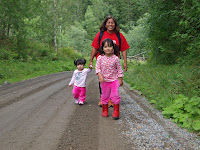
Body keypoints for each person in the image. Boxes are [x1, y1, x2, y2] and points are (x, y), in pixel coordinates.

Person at [89, 15, 129, 107]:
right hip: (102, 62)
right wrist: (91, 60)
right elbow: (95, 47)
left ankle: (111, 99)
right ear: (105, 24)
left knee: (113, 80)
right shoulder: (100, 34)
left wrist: (125, 62)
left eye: (112, 23)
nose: (110, 24)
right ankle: (102, 98)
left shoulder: (119, 35)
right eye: (108, 22)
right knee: (102, 80)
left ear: (115, 24)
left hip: (114, 62)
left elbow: (123, 49)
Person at [96, 38, 123, 120]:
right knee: (104, 95)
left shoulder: (116, 58)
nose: (108, 48)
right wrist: (100, 76)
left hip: (114, 80)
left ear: (113, 48)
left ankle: (116, 112)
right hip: (104, 81)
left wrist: (120, 79)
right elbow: (97, 68)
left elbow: (119, 69)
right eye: (105, 47)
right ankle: (105, 110)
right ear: (102, 48)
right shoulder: (100, 58)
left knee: (115, 95)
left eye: (110, 46)